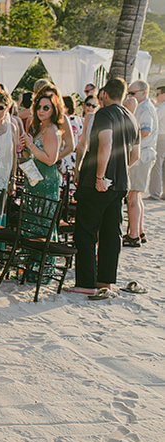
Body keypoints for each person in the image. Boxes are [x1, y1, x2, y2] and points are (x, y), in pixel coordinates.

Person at [69, 78, 140, 297]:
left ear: (105, 94)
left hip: (98, 182)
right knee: (111, 233)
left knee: (86, 231)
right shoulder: (131, 118)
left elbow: (106, 143)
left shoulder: (104, 114)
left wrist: (100, 175)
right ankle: (106, 281)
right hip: (120, 184)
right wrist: (119, 169)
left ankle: (86, 283)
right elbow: (135, 156)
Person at [19, 90, 63, 279]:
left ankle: (41, 270)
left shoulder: (52, 130)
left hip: (46, 183)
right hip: (35, 180)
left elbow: (50, 159)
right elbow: (35, 158)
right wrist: (25, 149)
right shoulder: (40, 128)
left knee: (43, 223)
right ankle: (29, 266)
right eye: (39, 107)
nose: (41, 111)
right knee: (32, 221)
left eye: (46, 108)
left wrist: (30, 145)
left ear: (54, 109)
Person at [124, 80, 157, 247]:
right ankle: (140, 231)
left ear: (143, 92)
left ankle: (133, 235)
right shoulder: (145, 106)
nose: (130, 96)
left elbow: (145, 131)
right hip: (144, 155)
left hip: (141, 155)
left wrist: (129, 141)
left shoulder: (145, 108)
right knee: (136, 195)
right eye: (128, 93)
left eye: (132, 93)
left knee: (133, 196)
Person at [147, 84, 165, 201]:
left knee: (157, 165)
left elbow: (155, 119)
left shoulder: (163, 107)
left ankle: (155, 193)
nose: (156, 96)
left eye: (158, 94)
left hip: (161, 137)